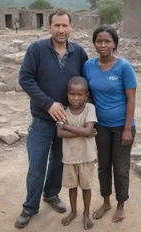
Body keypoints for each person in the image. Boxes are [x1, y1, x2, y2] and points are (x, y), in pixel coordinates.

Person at [15, 8, 88, 229]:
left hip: (66, 122)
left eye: (65, 25)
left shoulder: (79, 52)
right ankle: (30, 207)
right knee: (36, 166)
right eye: (57, 25)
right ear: (49, 27)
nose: (61, 30)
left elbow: (85, 82)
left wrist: (83, 114)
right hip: (41, 120)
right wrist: (48, 104)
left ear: (71, 27)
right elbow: (25, 79)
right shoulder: (36, 49)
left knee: (58, 162)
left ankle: (51, 194)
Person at [83, 25, 137, 223]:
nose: (103, 45)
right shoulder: (88, 65)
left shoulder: (124, 67)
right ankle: (106, 201)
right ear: (94, 43)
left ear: (114, 43)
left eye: (107, 41)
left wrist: (126, 129)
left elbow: (131, 100)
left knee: (121, 168)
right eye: (99, 41)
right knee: (103, 166)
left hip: (123, 127)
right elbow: (87, 95)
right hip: (101, 127)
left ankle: (121, 204)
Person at [57, 76, 97, 230]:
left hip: (86, 157)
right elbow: (60, 133)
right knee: (72, 187)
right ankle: (73, 211)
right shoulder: (63, 111)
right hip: (69, 158)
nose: (75, 98)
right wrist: (84, 132)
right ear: (67, 94)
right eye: (72, 94)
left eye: (80, 94)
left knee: (86, 187)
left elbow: (88, 130)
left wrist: (67, 127)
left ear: (86, 95)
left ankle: (86, 213)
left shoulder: (89, 108)